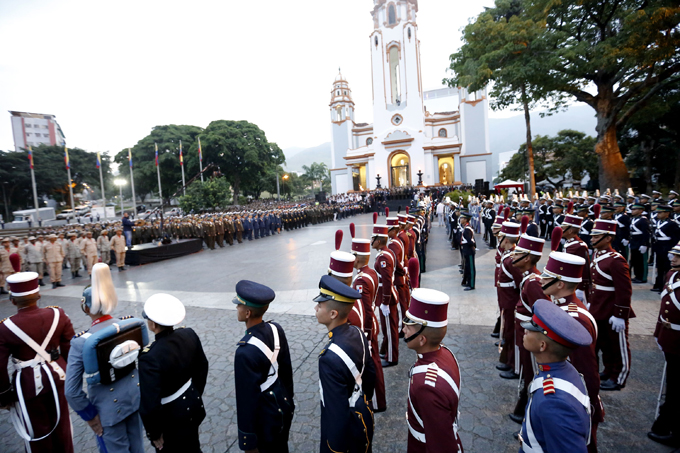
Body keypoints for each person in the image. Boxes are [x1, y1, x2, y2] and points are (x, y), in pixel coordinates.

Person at [65, 263, 145, 453]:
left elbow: (71, 391)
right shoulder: (129, 325)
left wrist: (90, 415)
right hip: (135, 400)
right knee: (138, 448)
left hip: (108, 412)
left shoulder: (81, 342)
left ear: (86, 308)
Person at [0, 271, 75, 453]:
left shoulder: (5, 327)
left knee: (37, 434)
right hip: (59, 378)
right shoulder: (58, 314)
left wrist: (4, 394)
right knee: (63, 428)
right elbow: (70, 349)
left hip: (28, 385)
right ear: (39, 295)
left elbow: (0, 366)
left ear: (13, 300)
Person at [518, 299, 593, 453]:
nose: (525, 331)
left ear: (542, 346)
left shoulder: (553, 401)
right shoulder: (562, 370)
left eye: (531, 329)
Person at [139, 293, 209, 453]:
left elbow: (150, 403)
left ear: (153, 325)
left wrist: (154, 433)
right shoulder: (189, 334)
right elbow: (202, 367)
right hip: (193, 405)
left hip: (171, 419)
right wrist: (194, 393)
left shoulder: (149, 356)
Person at [314, 275, 375, 453]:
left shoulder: (329, 357)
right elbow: (370, 377)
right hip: (362, 416)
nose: (316, 307)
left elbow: (336, 413)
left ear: (333, 314)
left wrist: (334, 449)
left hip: (346, 432)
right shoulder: (357, 332)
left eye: (320, 305)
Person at [233, 280, 295, 453]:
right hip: (281, 407)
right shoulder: (276, 329)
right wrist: (288, 401)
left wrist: (248, 442)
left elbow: (246, 401)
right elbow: (286, 372)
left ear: (247, 313)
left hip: (264, 420)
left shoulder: (244, 352)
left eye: (239, 305)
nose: (236, 308)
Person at [403, 287, 464, 452]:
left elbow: (442, 445)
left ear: (422, 339)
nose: (403, 330)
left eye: (408, 327)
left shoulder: (427, 386)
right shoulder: (444, 353)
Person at [588, 219, 634, 391]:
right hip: (598, 307)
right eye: (592, 235)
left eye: (596, 236)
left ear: (608, 238)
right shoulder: (597, 255)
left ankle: (619, 377)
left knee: (618, 345)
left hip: (612, 309)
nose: (592, 239)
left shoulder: (616, 260)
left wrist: (621, 314)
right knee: (605, 344)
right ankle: (608, 371)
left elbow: (624, 290)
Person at [350, 225, 385, 412]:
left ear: (357, 257)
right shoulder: (369, 272)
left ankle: (379, 401)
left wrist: (367, 334)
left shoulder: (362, 279)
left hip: (368, 325)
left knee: (374, 364)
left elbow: (365, 310)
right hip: (371, 322)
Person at [649, 241, 680, 447]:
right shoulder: (673, 275)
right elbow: (665, 310)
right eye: (674, 255)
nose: (673, 259)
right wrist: (659, 334)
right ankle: (668, 425)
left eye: (678, 257)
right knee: (674, 387)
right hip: (671, 341)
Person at [373, 223, 399, 367]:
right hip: (387, 294)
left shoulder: (383, 257)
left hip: (387, 295)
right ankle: (387, 351)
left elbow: (387, 281)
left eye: (373, 239)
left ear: (379, 240)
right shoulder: (386, 253)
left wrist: (385, 302)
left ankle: (392, 358)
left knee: (389, 329)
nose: (371, 242)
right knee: (388, 327)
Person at [652, 205, 680, 292]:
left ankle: (666, 286)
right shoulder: (658, 222)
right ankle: (659, 285)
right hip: (659, 247)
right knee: (659, 268)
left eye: (660, 212)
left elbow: (676, 238)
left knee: (667, 268)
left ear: (667, 213)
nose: (658, 214)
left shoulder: (672, 224)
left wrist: (672, 251)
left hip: (667, 247)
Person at [629, 203, 650, 283]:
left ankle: (642, 277)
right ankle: (637, 275)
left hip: (640, 242)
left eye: (635, 209)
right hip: (634, 242)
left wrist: (644, 244)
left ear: (641, 211)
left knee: (642, 261)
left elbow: (646, 233)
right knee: (635, 261)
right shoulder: (633, 219)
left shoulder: (643, 220)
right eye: (632, 209)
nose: (633, 211)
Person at [460, 211, 476, 290]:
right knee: (467, 267)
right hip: (467, 250)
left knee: (471, 268)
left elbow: (470, 241)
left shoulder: (467, 229)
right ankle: (468, 282)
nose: (460, 219)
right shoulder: (466, 228)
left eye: (462, 218)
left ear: (466, 220)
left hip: (469, 250)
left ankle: (472, 284)